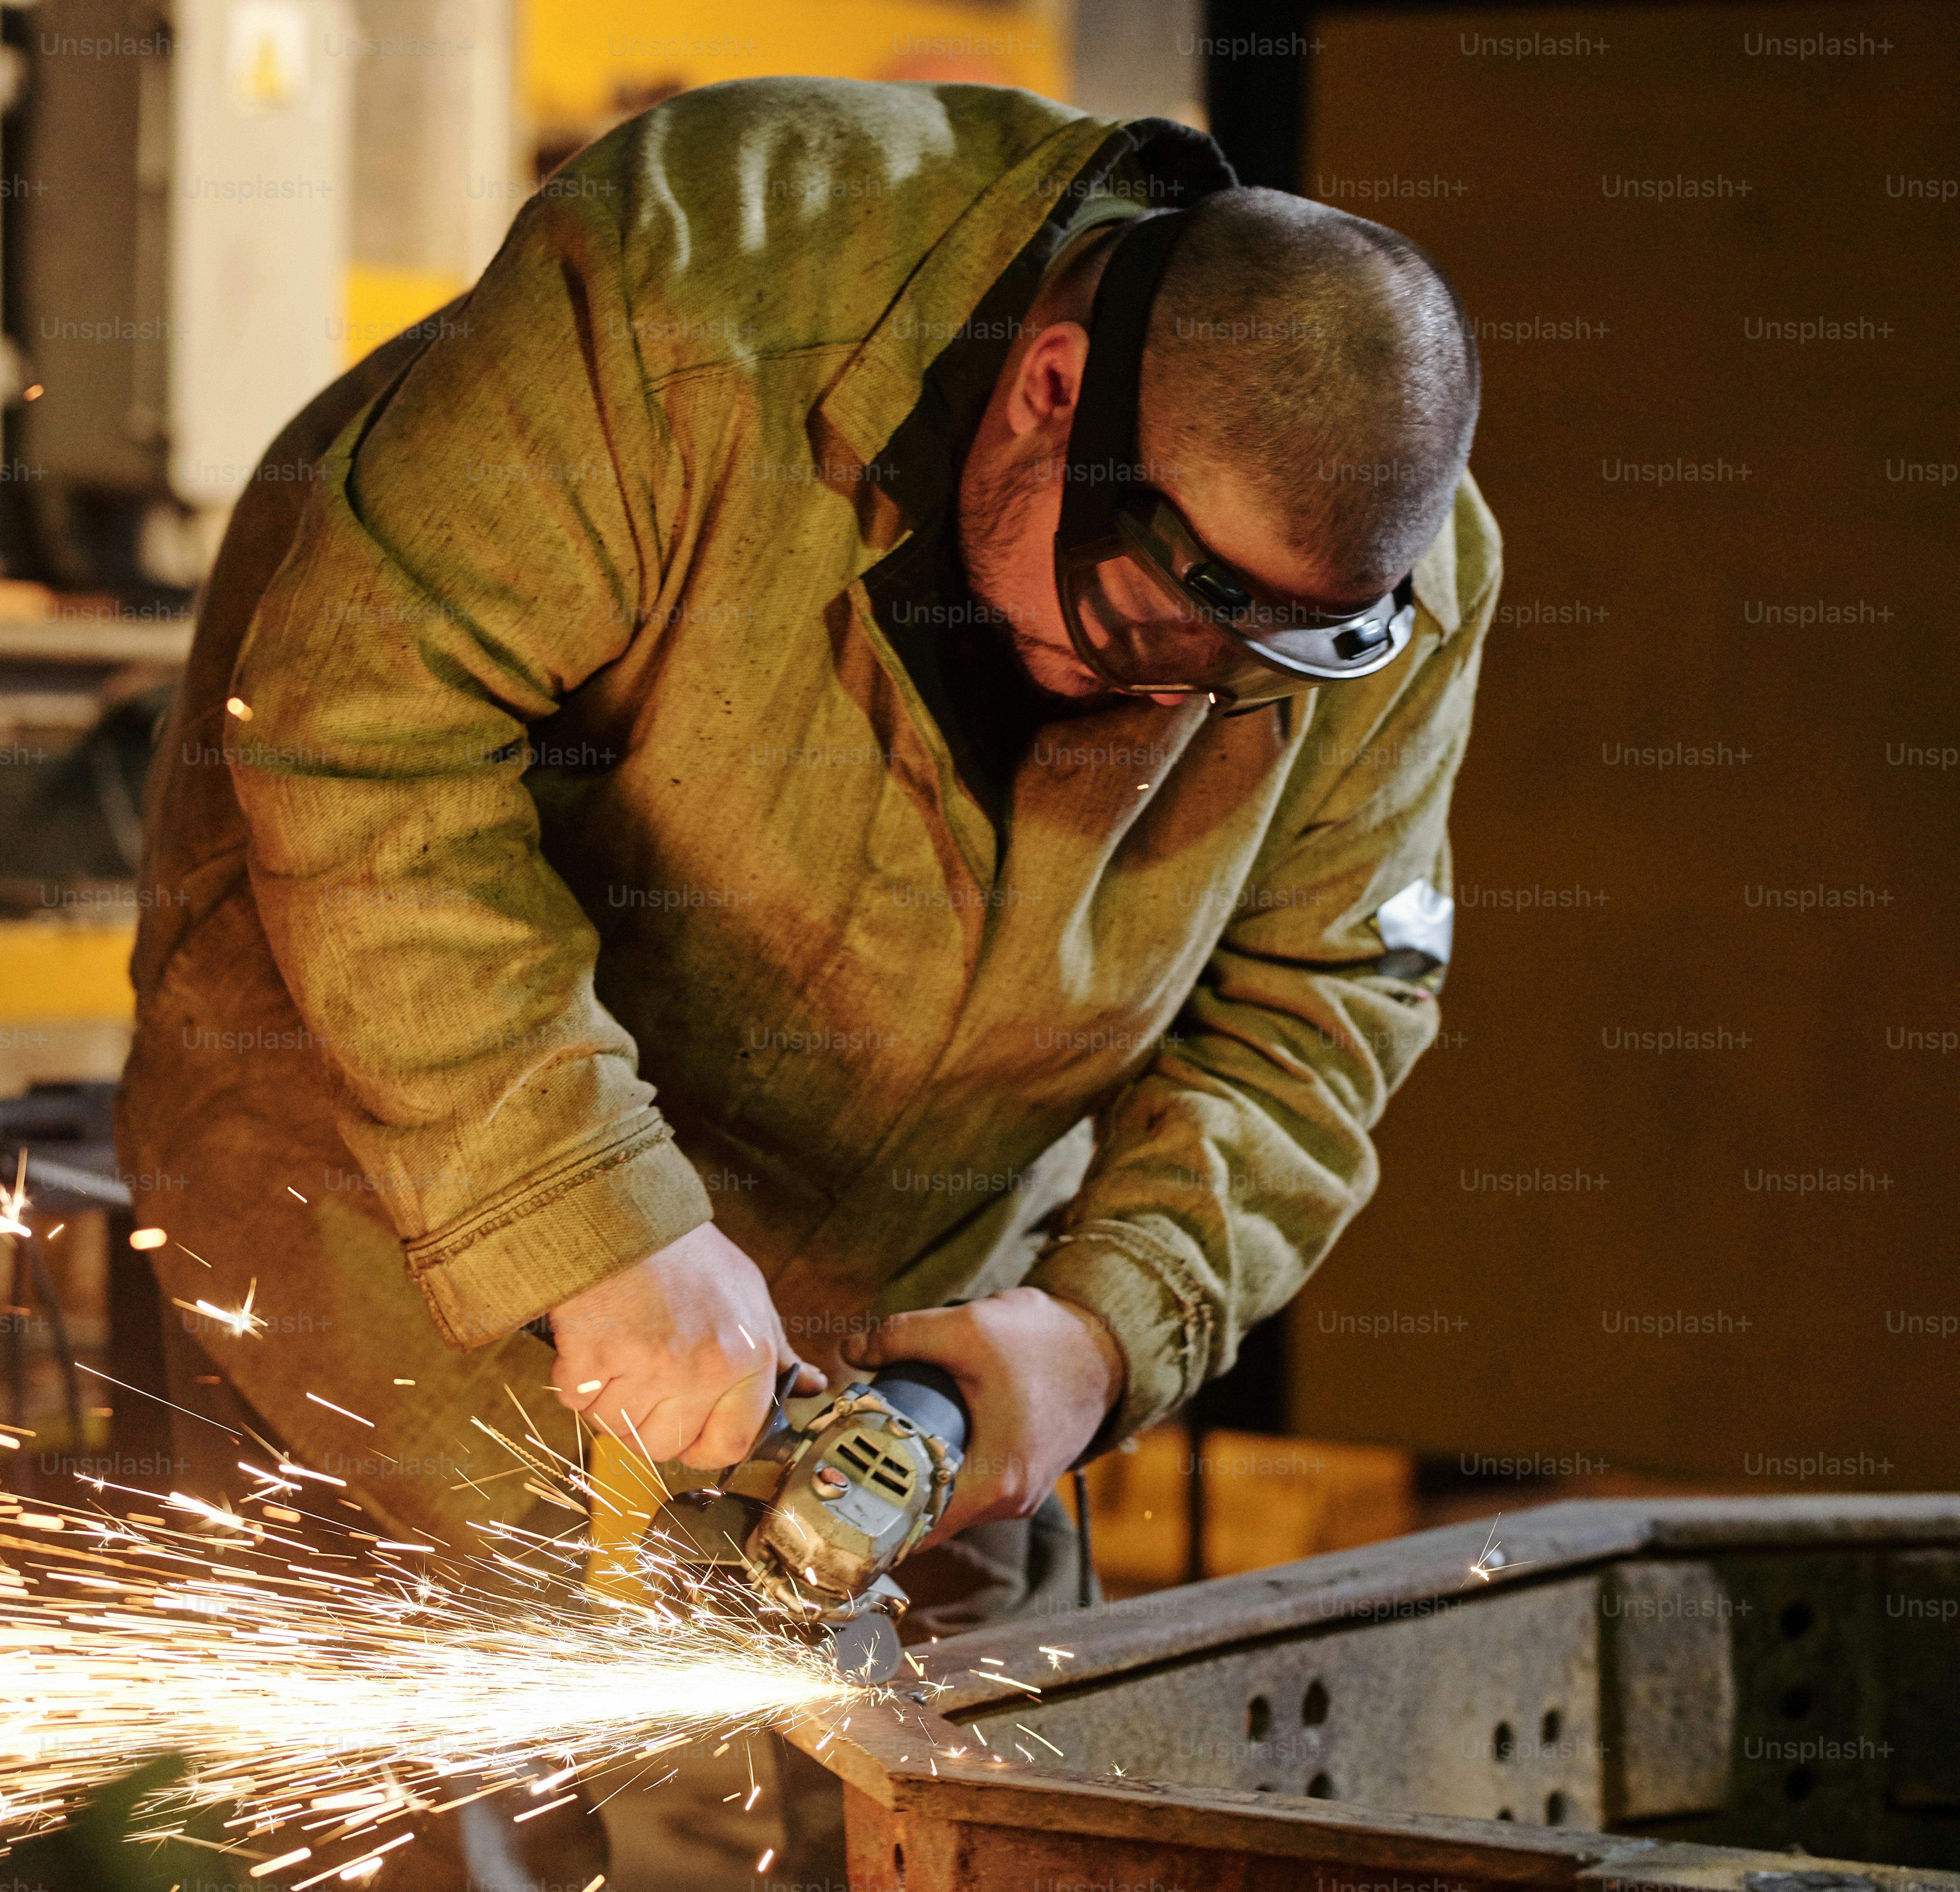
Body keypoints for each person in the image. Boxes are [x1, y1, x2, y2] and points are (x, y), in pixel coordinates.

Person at [112, 70, 1493, 1883]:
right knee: (440, 1812)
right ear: (1051, 393)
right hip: (410, 1155)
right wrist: (589, 1221)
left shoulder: (1373, 593)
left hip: (909, 1273)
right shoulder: (694, 293)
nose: (1183, 705)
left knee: (965, 1811)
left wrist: (1098, 1336)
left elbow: (1318, 1016)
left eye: (1253, 671)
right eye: (1154, 630)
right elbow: (362, 742)